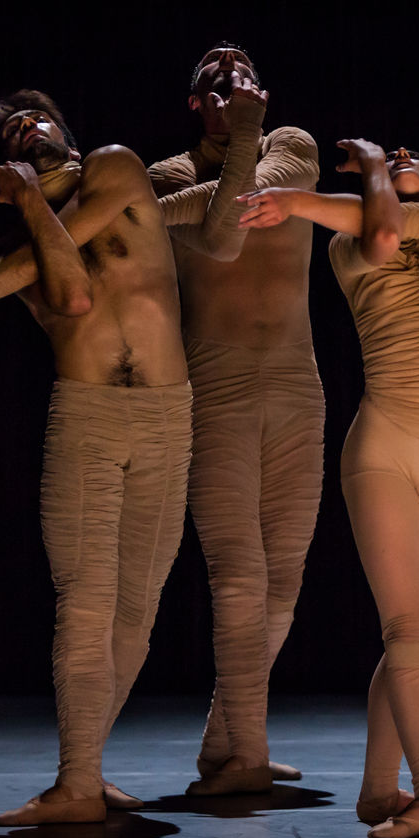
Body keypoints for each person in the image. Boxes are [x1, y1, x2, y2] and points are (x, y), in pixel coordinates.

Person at [0, 90, 202, 825]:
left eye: (39, 118)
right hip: (87, 421)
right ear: (1, 173)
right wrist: (29, 206)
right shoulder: (18, 253)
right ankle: (77, 783)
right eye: (12, 131)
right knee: (86, 602)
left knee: (138, 610)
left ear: (69, 135)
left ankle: (84, 771)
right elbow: (71, 297)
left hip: (167, 418)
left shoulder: (116, 167)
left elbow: (65, 249)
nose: (30, 128)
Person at [240, 139, 419, 838]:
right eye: (393, 155)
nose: (404, 155)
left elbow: (387, 220)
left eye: (415, 153)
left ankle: (380, 791)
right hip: (387, 450)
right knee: (408, 632)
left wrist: (314, 193)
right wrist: (374, 167)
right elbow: (381, 234)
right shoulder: (345, 247)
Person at [149, 45, 325, 795]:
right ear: (195, 102)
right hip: (215, 387)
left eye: (242, 66)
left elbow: (247, 201)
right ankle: (245, 757)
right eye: (213, 72)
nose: (228, 64)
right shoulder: (167, 174)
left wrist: (250, 135)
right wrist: (240, 134)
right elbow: (223, 240)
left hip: (296, 384)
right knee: (238, 573)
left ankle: (227, 745)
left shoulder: (294, 144)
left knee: (284, 579)